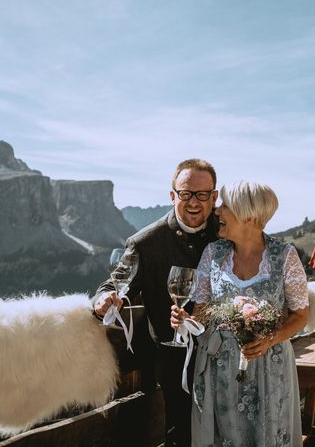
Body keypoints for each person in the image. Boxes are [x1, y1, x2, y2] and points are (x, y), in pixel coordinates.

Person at [92, 159, 219, 447]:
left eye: (202, 194)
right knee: (181, 434)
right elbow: (116, 282)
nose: (194, 202)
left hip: (222, 354)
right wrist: (103, 299)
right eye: (186, 193)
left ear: (214, 196)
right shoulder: (146, 242)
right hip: (173, 361)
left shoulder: (227, 231)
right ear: (173, 195)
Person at [172, 181, 309, 447]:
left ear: (248, 214)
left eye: (225, 205)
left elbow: (300, 315)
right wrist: (185, 321)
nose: (217, 211)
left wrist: (269, 339)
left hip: (269, 365)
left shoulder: (285, 256)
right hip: (219, 368)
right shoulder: (213, 254)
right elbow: (201, 313)